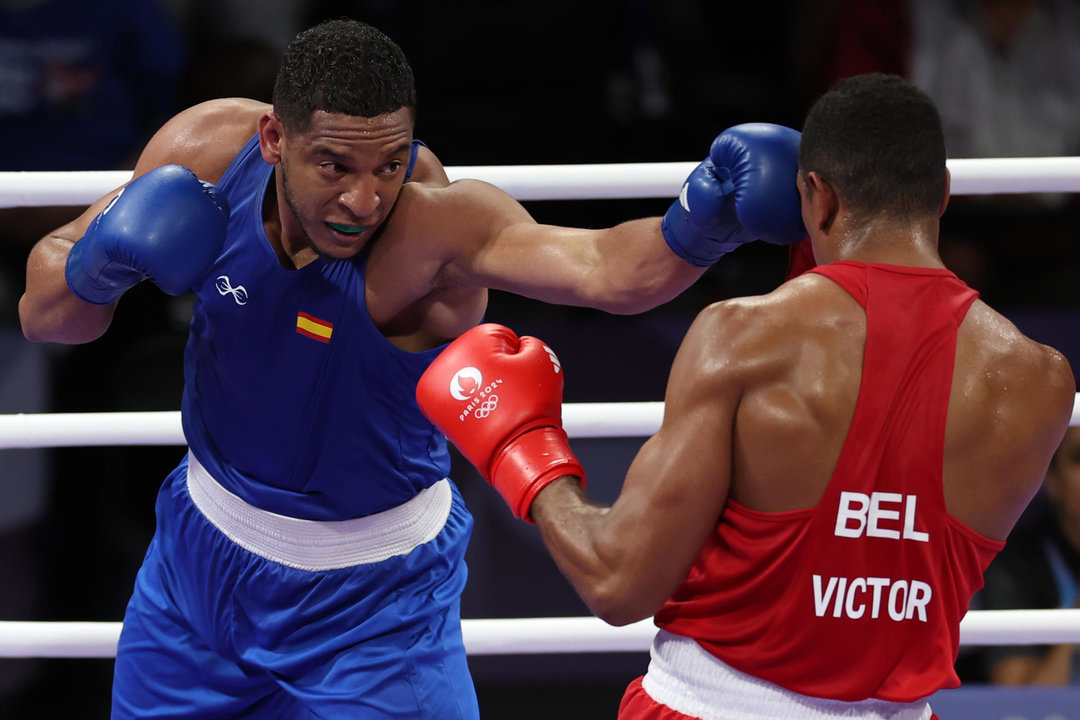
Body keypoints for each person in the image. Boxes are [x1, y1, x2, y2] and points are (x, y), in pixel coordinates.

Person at [16, 17, 806, 720]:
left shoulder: (435, 229)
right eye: (335, 167)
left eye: (389, 164)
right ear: (273, 139)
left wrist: (706, 221)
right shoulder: (206, 155)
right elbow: (46, 315)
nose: (365, 199)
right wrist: (97, 267)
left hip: (373, 609)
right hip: (197, 567)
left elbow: (608, 271)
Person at [416, 73, 1076, 719]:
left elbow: (616, 580)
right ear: (943, 197)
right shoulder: (1041, 384)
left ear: (815, 197)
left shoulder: (747, 339)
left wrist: (525, 451)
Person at [978, 425, 1080, 685]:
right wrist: (1074, 629)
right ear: (1052, 480)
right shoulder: (1013, 563)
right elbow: (1021, 705)